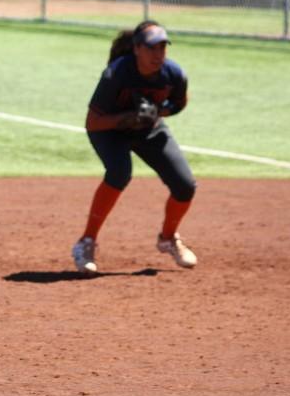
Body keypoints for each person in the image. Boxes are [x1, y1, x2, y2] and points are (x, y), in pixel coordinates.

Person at [71, 20, 197, 274]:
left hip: (148, 130)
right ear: (137, 49)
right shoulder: (116, 74)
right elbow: (93, 122)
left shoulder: (174, 74)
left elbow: (179, 103)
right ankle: (86, 242)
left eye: (163, 48)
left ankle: (168, 238)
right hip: (110, 132)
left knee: (185, 186)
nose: (158, 54)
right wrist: (124, 118)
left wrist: (159, 111)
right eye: (152, 48)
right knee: (119, 172)